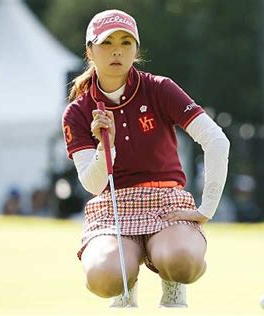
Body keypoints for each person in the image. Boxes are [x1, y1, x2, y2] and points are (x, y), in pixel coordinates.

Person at [62, 9, 230, 308]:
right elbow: (92, 184)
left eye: (126, 42)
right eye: (106, 42)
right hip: (112, 209)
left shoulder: (159, 88)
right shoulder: (77, 112)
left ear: (136, 49)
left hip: (166, 202)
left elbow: (216, 140)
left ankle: (173, 281)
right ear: (90, 50)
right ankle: (127, 284)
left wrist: (207, 207)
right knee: (104, 278)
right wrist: (106, 146)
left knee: (183, 262)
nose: (117, 50)